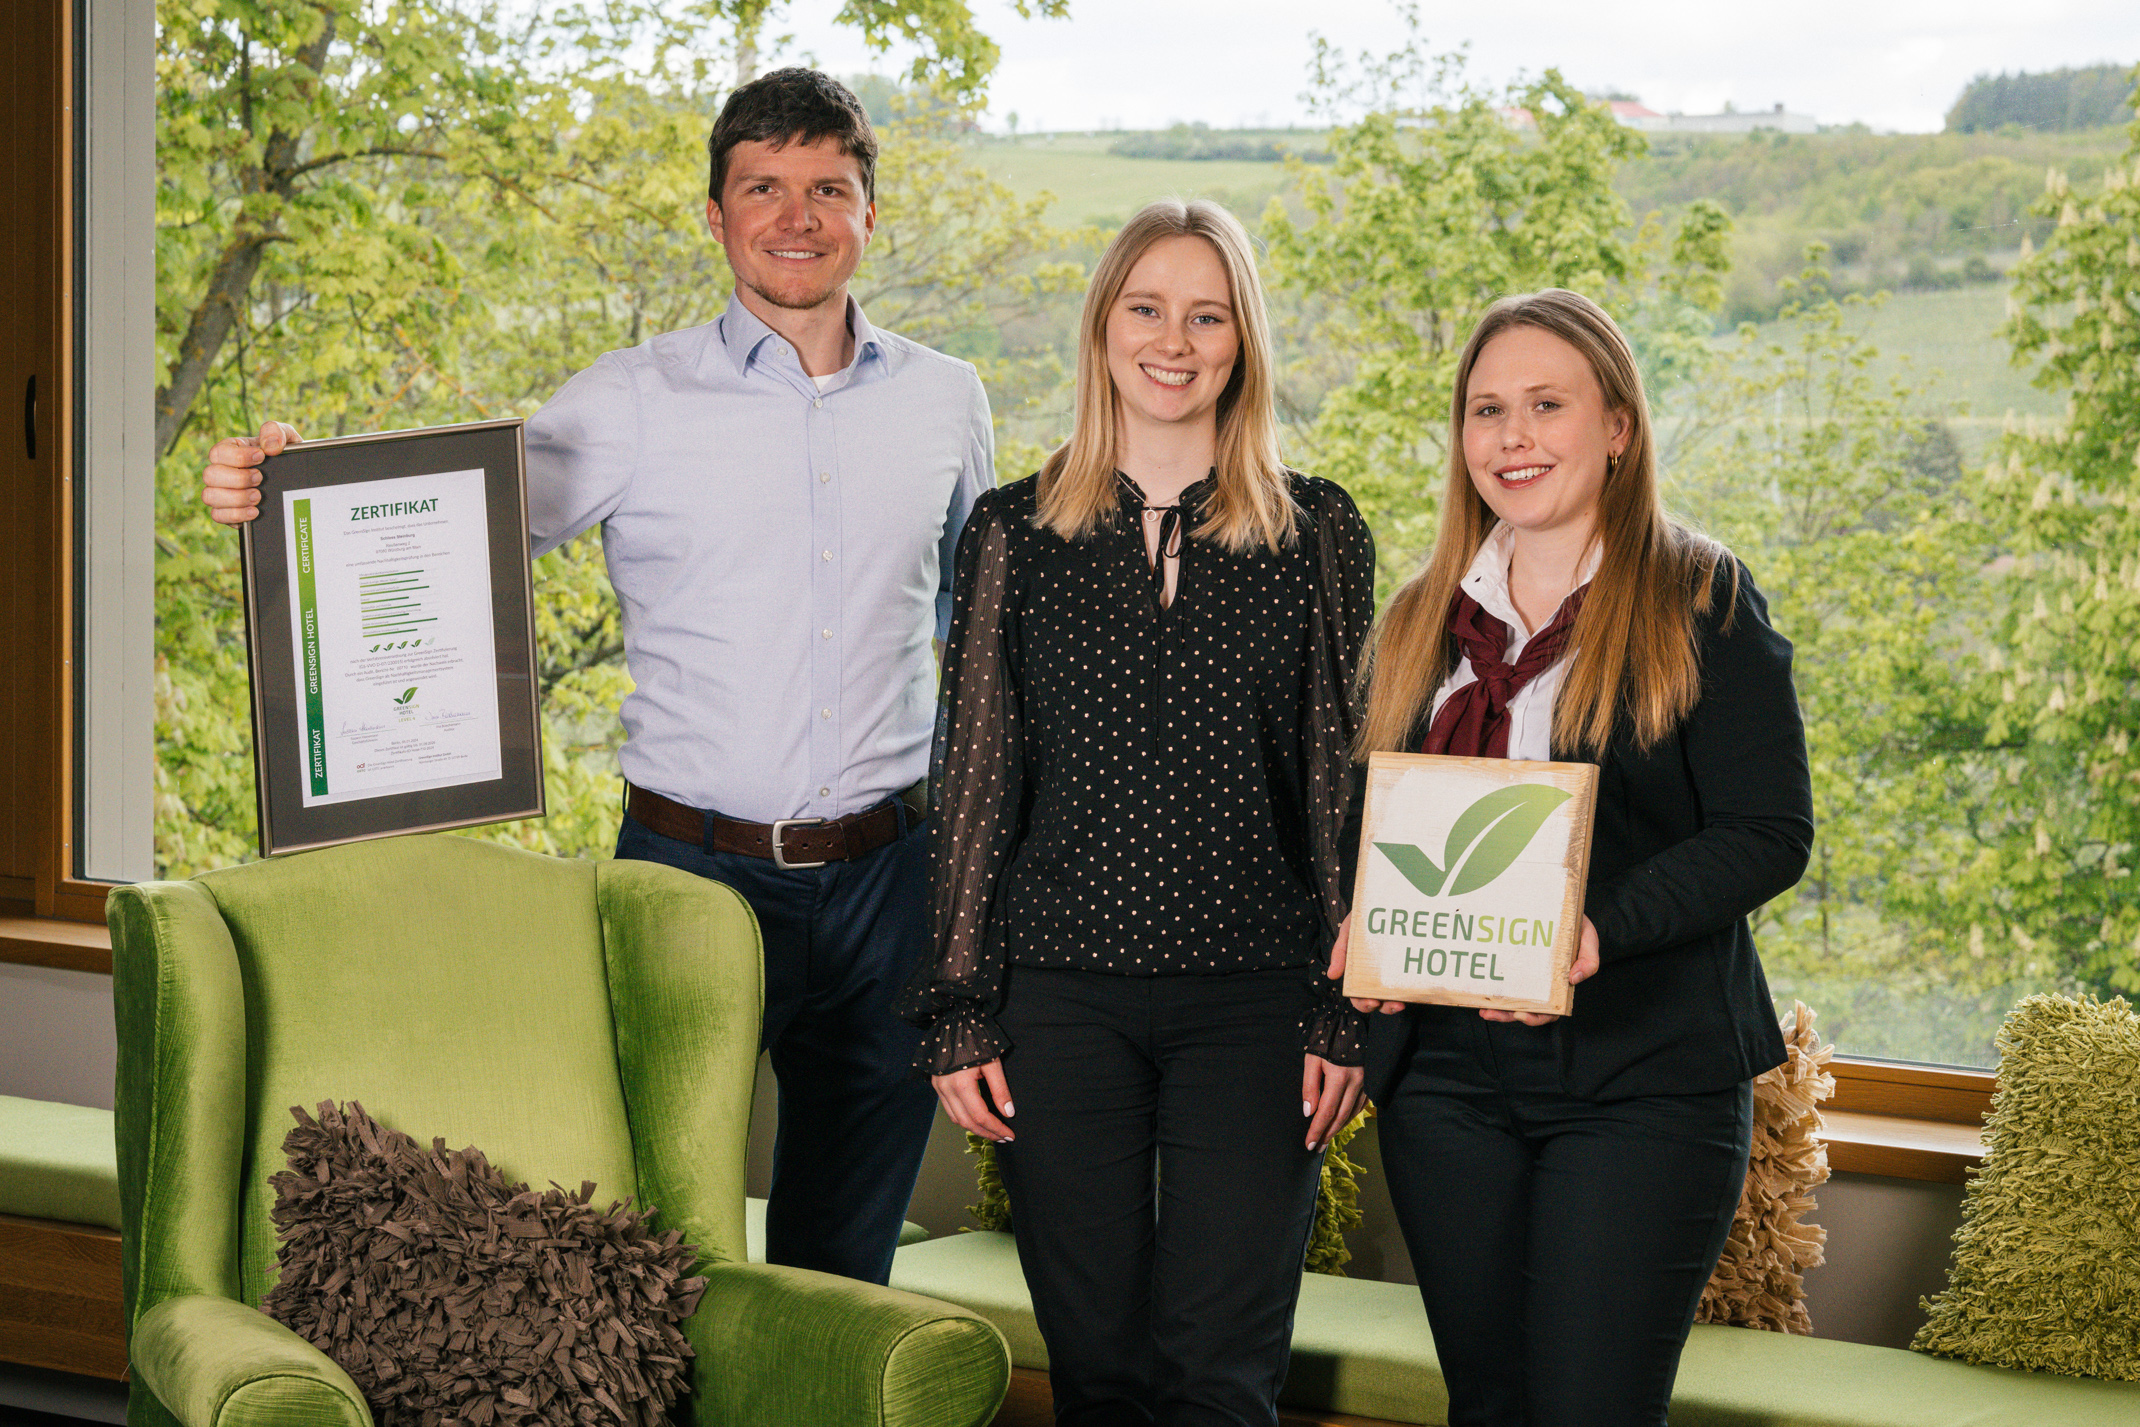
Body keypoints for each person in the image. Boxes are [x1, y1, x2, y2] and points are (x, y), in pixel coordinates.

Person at [196, 69, 994, 1288]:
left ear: (870, 214)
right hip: (688, 873)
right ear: (716, 216)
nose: (796, 216)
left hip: (893, 879)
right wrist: (277, 493)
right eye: (763, 188)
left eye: (828, 188)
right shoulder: (630, 398)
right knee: (651, 1245)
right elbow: (439, 526)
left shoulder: (948, 400)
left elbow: (970, 626)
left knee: (846, 1267)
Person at [900, 198, 1375, 1427]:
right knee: (1100, 1369)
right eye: (1147, 308)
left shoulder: (1317, 529)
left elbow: (1342, 780)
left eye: (1207, 314)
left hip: (1256, 1001)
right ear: (1104, 328)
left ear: (1243, 339)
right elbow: (973, 775)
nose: (1175, 339)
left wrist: (1343, 999)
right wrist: (956, 1004)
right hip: (1060, 999)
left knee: (1222, 1376)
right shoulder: (1013, 529)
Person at [1326, 288, 1814, 1427]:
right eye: (1487, 409)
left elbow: (1767, 831)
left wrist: (1596, 925)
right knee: (1487, 1406)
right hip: (1444, 1082)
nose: (1512, 436)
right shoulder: (1415, 621)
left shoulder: (1702, 597)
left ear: (1617, 429)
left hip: (1642, 1077)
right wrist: (1361, 919)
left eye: (1546, 404)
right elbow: (1366, 830)